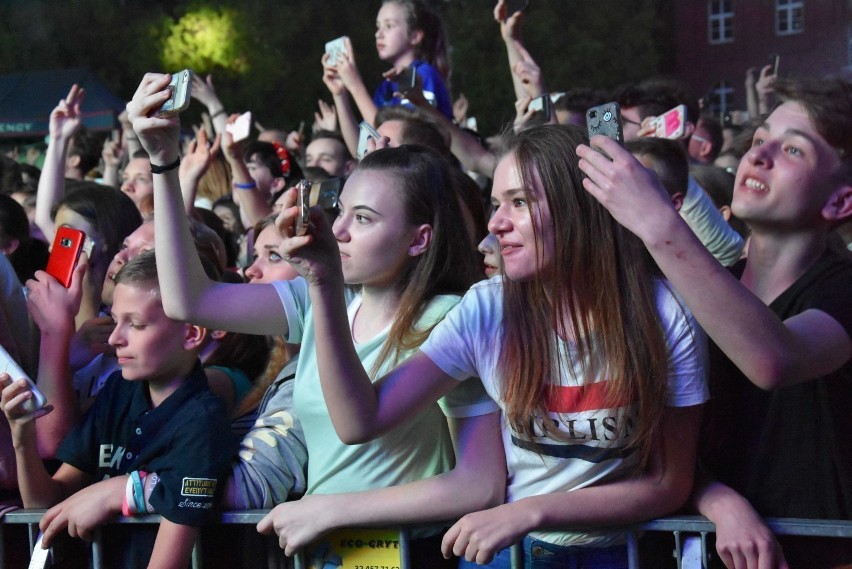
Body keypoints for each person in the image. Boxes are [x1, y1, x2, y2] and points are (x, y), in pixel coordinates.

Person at [276, 124, 707, 567]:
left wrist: (531, 511)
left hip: (617, 553)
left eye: (520, 203)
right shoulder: (486, 310)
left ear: (580, 208)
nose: (496, 224)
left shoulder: (665, 312)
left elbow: (668, 482)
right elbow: (359, 421)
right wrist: (324, 282)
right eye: (496, 204)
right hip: (507, 554)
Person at [126, 72, 503, 568]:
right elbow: (188, 301)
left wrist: (335, 509)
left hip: (410, 555)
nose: (340, 231)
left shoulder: (451, 318)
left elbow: (480, 484)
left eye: (364, 219)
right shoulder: (319, 301)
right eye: (341, 212)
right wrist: (163, 162)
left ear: (419, 239)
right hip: (326, 555)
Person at [577, 77, 852, 569]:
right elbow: (667, 440)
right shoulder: (697, 291)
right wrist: (717, 499)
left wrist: (659, 223)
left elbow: (773, 358)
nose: (759, 155)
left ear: (841, 202)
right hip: (701, 550)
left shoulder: (841, 289)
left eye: (793, 149)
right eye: (759, 138)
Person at [2, 251, 234, 568]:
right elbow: (45, 503)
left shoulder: (201, 421)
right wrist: (22, 435)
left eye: (136, 325)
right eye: (114, 321)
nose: (114, 338)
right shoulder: (118, 392)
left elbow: (169, 561)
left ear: (191, 333)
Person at [322, 0, 454, 155]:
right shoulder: (385, 87)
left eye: (389, 25)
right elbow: (360, 150)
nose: (378, 33)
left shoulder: (424, 74)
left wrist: (355, 85)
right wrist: (340, 93)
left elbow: (393, 145)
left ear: (415, 36)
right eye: (378, 26)